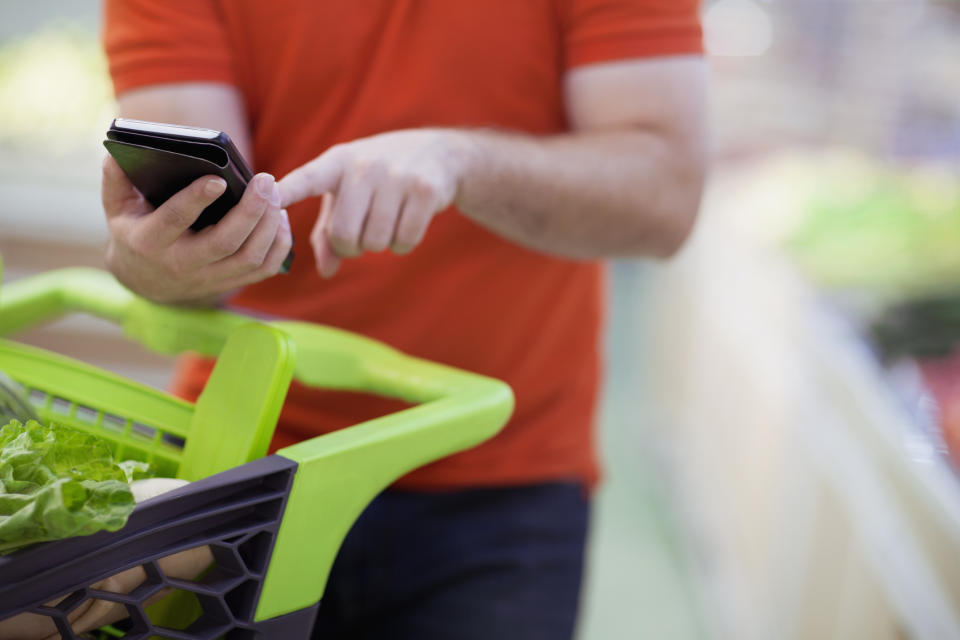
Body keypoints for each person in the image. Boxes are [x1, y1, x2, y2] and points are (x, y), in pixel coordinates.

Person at [100, 2, 707, 638]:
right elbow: (195, 227)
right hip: (243, 459)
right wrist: (155, 265)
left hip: (499, 475)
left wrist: (461, 160)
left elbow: (664, 197)